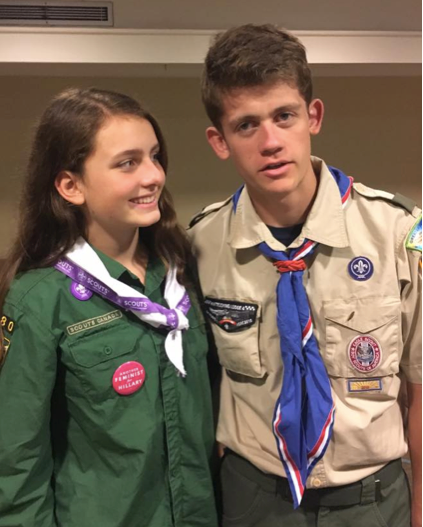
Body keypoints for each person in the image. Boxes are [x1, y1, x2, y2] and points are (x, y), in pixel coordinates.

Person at [189, 24, 422, 527]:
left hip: (372, 500)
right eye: (246, 125)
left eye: (284, 116)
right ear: (220, 140)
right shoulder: (201, 246)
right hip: (255, 498)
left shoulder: (397, 232)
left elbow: (421, 388)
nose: (270, 141)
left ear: (312, 117)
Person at [0, 88, 218, 527]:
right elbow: (17, 467)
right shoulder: (40, 300)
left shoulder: (182, 272)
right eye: (127, 163)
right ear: (70, 185)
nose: (152, 176)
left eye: (154, 156)